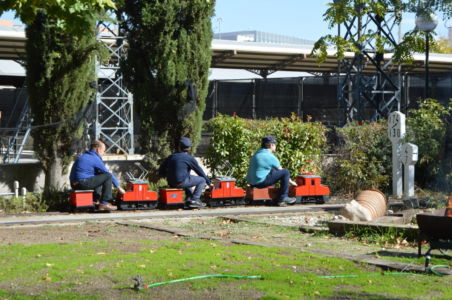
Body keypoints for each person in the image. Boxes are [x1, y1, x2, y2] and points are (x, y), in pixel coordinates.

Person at [70, 140, 125, 211]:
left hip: (74, 184)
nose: (104, 153)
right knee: (107, 176)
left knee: (99, 175)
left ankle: (95, 201)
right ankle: (105, 203)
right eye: (103, 150)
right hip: (82, 183)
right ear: (98, 149)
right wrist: (118, 187)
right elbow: (108, 173)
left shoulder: (84, 156)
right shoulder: (95, 158)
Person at [159, 137, 210, 208]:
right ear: (189, 148)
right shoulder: (189, 158)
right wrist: (209, 183)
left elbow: (161, 170)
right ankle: (195, 200)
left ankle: (188, 199)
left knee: (187, 178)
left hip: (171, 182)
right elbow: (199, 172)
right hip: (181, 182)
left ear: (179, 147)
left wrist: (167, 177)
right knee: (202, 180)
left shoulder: (171, 157)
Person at [246, 135, 297, 206]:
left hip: (252, 182)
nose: (276, 146)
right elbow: (281, 170)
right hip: (260, 183)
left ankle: (272, 197)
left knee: (272, 170)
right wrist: (292, 182)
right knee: (286, 172)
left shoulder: (257, 153)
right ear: (271, 145)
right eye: (275, 144)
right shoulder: (270, 156)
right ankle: (283, 197)